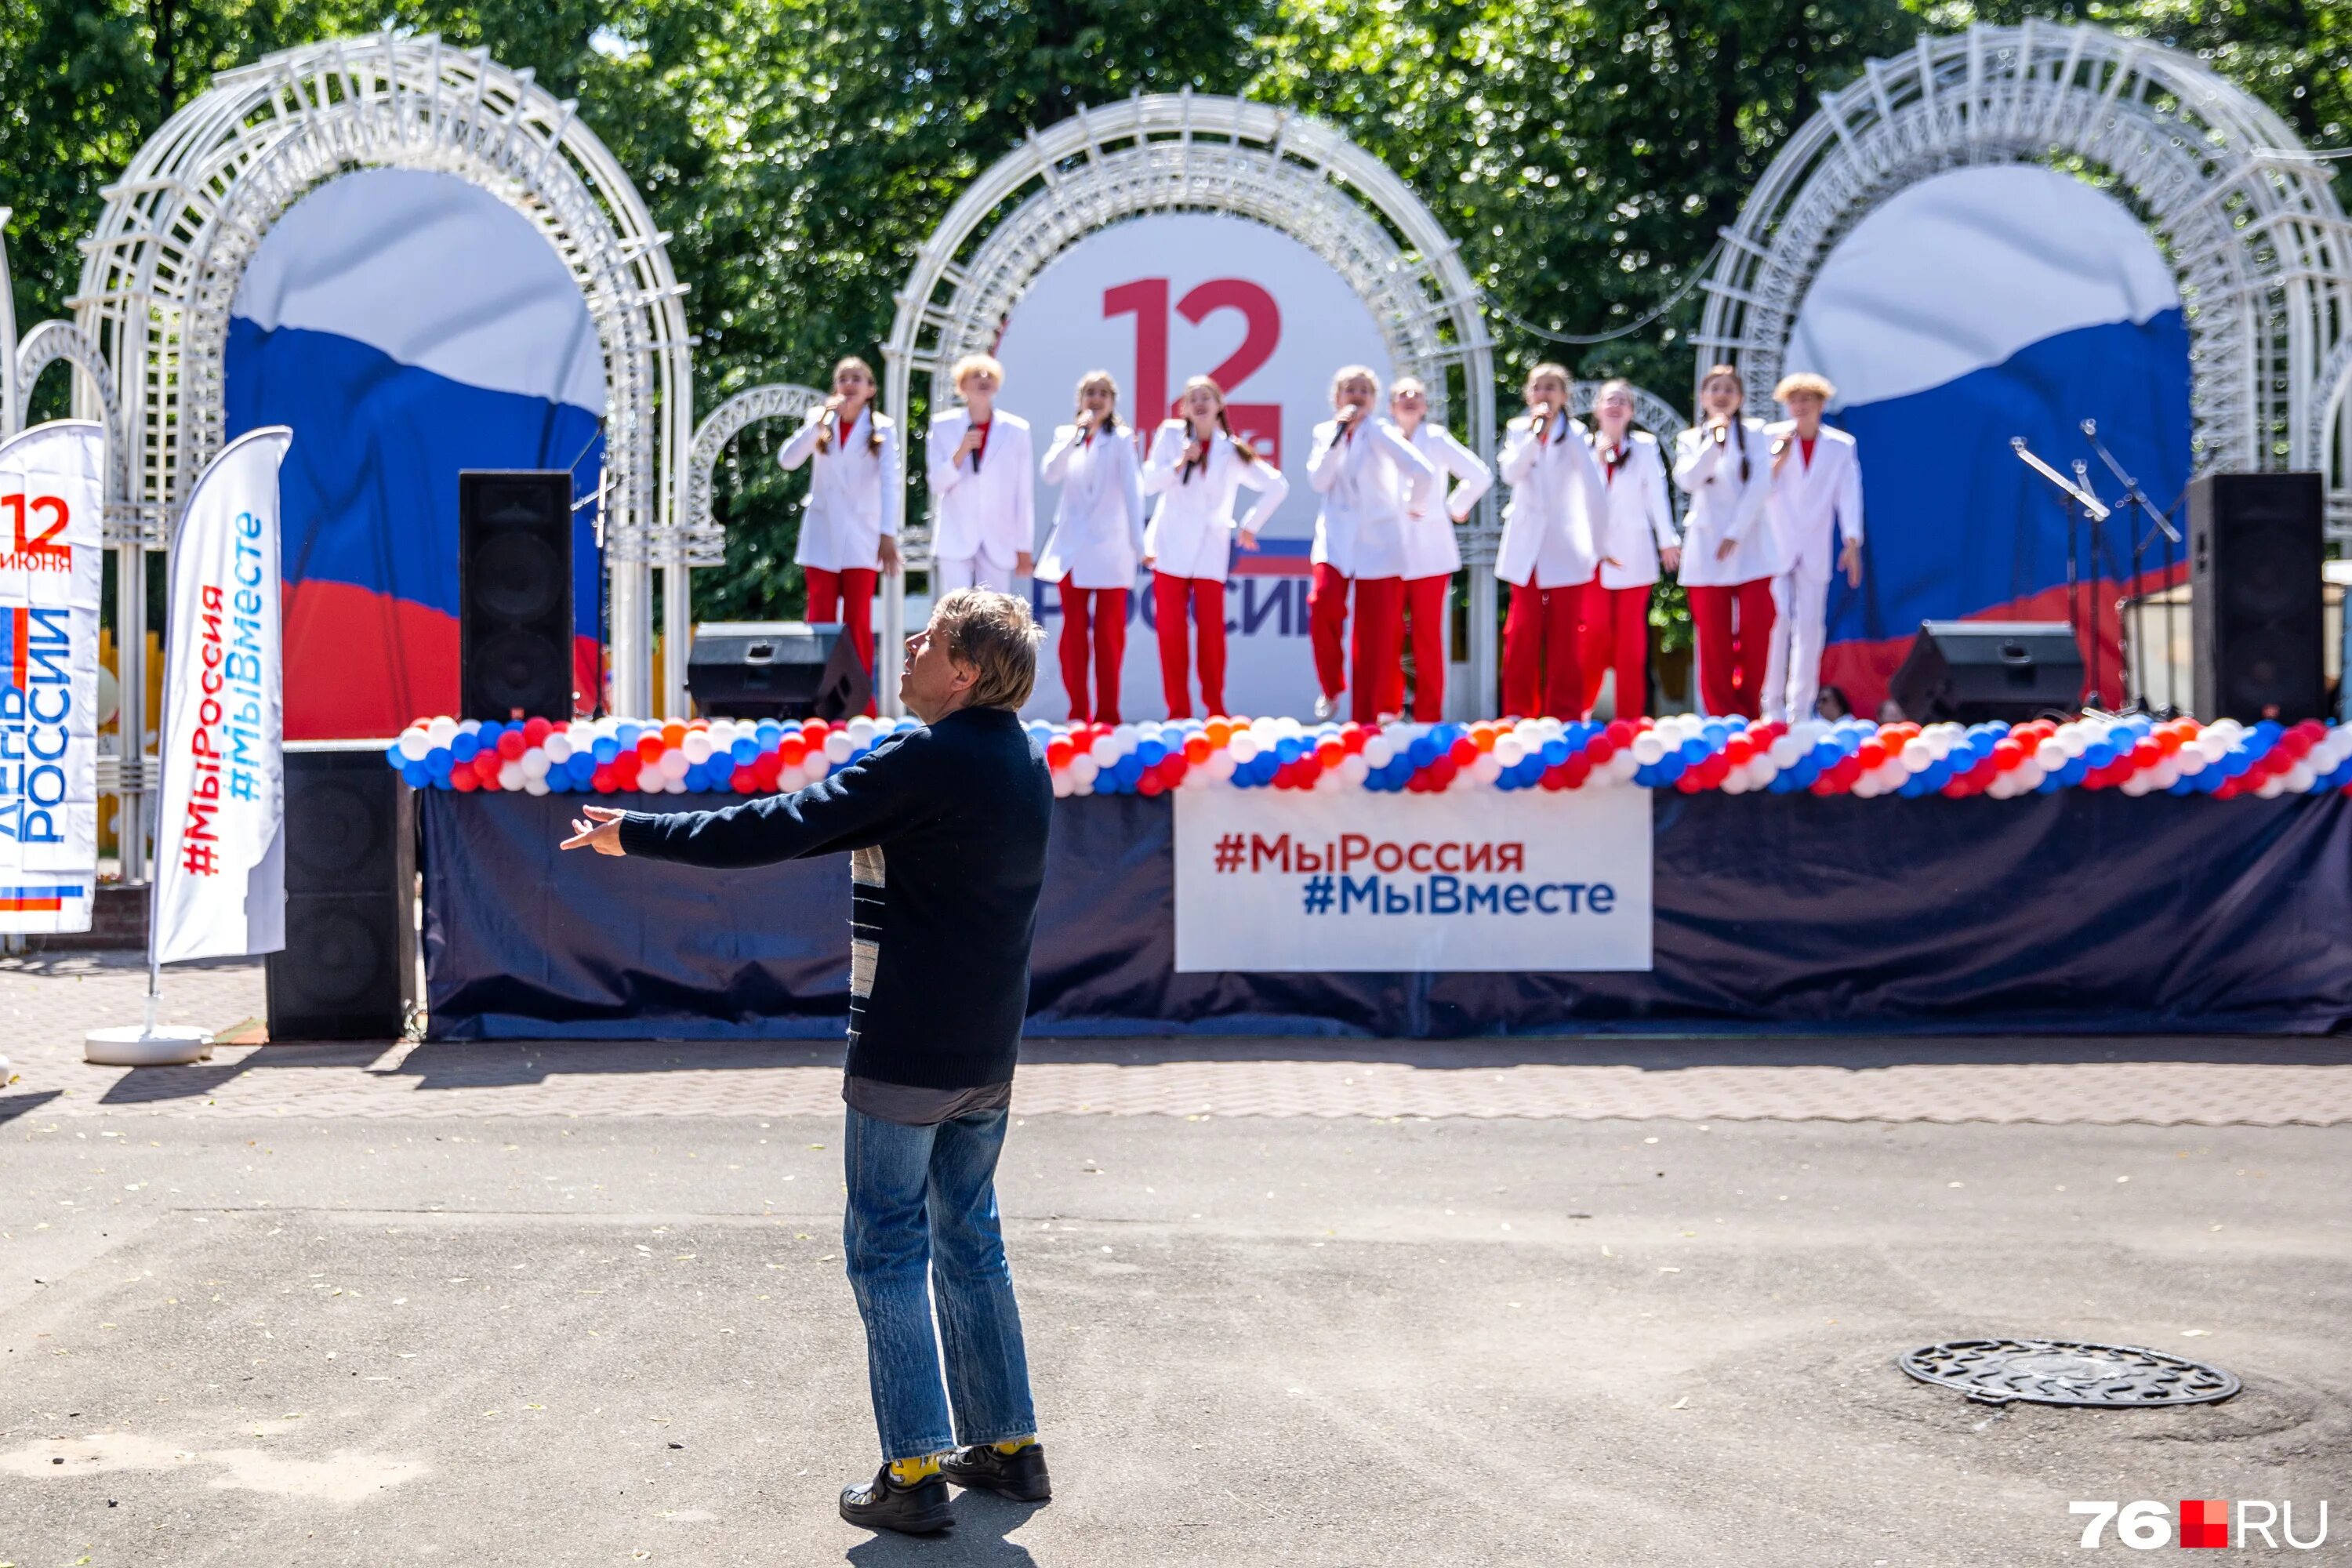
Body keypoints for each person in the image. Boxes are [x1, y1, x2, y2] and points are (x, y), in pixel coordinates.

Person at [561, 590, 1056, 1537]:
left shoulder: (926, 758)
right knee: (970, 1237)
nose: (909, 646)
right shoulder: (1023, 757)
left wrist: (638, 830)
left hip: (906, 1050)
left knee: (887, 1247)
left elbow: (778, 826)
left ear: (966, 671)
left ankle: (912, 1468)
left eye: (930, 638)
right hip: (988, 1052)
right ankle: (1006, 1443)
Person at [1139, 375, 1289, 718]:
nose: (1200, 402)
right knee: (1171, 634)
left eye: (1207, 396)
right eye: (1193, 398)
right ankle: (1178, 711)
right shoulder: (1170, 435)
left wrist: (1250, 526)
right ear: (1185, 408)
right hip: (1170, 547)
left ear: (1220, 404)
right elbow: (1147, 484)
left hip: (1211, 549)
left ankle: (1215, 710)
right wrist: (1180, 463)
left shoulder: (1232, 449)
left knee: (1211, 635)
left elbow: (1277, 486)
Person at [1305, 365, 1437, 724]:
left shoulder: (1381, 432)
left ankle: (1368, 719)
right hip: (1335, 540)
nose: (1357, 395)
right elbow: (1319, 480)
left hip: (1379, 544)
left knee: (1376, 636)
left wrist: (1413, 508)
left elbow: (1422, 471)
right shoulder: (1324, 433)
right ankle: (1331, 688)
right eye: (1350, 389)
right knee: (1323, 604)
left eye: (1365, 390)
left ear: (1375, 400)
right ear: (1336, 399)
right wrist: (1338, 436)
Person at [777, 355, 902, 715]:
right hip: (821, 536)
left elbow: (891, 484)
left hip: (862, 538)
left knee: (858, 620)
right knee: (819, 618)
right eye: (843, 378)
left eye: (857, 378)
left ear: (870, 389)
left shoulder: (883, 427)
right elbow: (788, 460)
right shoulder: (818, 422)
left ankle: (862, 704)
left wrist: (887, 534)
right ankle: (816, 700)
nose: (849, 383)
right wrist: (816, 424)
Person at [1494, 361, 1610, 719]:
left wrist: (1599, 545)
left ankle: (1565, 712)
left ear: (1564, 396)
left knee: (1566, 636)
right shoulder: (1518, 430)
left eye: (1551, 387)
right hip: (1526, 546)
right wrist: (1535, 437)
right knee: (1522, 631)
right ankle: (1518, 711)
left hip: (1565, 546)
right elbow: (1511, 472)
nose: (1544, 393)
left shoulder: (1577, 434)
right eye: (1538, 387)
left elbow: (1594, 489)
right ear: (1529, 394)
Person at [1674, 364, 1783, 720]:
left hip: (1750, 542)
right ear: (1703, 398)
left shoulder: (1755, 433)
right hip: (1706, 548)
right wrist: (1713, 443)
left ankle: (1751, 709)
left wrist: (1735, 533)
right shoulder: (1691, 439)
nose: (1721, 396)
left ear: (1740, 398)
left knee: (1757, 625)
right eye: (1714, 389)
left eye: (1728, 389)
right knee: (1713, 637)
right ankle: (1720, 714)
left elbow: (1760, 484)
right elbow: (1689, 479)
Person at [1036, 370, 1145, 724]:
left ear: (1113, 402)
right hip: (1073, 549)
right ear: (1079, 401)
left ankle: (1109, 714)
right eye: (1089, 393)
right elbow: (1050, 473)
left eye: (1103, 394)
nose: (1095, 399)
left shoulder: (1122, 440)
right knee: (1073, 634)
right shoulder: (1066, 436)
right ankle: (1078, 711)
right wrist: (1075, 437)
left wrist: (1138, 545)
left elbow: (1133, 491)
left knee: (1110, 637)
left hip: (1112, 549)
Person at [1383, 376, 1492, 722]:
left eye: (1417, 395)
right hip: (1387, 552)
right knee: (1387, 634)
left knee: (1428, 638)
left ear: (1427, 406)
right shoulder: (1381, 438)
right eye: (1402, 395)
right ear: (1391, 406)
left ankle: (1429, 716)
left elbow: (1479, 475)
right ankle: (1388, 710)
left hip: (1431, 553)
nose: (1410, 399)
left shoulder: (1437, 438)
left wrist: (1453, 507)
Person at [1760, 371, 1865, 725]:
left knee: (1810, 627)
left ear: (1821, 404)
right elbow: (1758, 489)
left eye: (1808, 399)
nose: (1800, 406)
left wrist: (1851, 541)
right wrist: (1779, 458)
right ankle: (1770, 704)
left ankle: (1800, 709)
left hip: (1816, 547)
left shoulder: (1840, 445)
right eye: (1794, 399)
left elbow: (1848, 493)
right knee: (1777, 622)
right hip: (1776, 546)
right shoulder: (1771, 439)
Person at [1580, 379, 1680, 720]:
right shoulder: (1582, 445)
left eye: (1622, 400)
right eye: (1609, 400)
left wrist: (1667, 540)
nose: (1615, 406)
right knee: (1592, 634)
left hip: (1633, 554)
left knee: (1631, 642)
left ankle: (1631, 718)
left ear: (1631, 411)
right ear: (1597, 408)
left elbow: (1656, 495)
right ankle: (1579, 711)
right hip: (1592, 555)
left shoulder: (1646, 446)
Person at [927, 354, 1035, 593]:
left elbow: (1023, 493)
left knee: (995, 616)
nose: (984, 379)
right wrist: (961, 451)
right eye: (976, 375)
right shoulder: (942, 425)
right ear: (962, 385)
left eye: (990, 375)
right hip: (956, 535)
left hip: (999, 537)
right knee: (955, 612)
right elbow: (936, 483)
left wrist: (1023, 546)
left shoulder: (1016, 430)